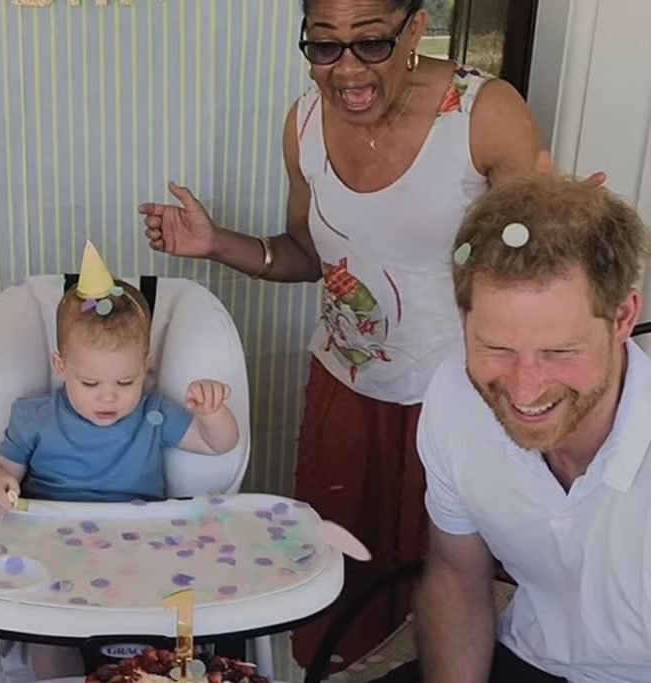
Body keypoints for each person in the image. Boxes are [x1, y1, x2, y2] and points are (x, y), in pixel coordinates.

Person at [137, 0, 552, 665]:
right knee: (342, 603)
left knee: (456, 595)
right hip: (345, 397)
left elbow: (541, 268)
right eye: (324, 46)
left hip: (459, 404)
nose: (346, 70)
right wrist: (217, 244)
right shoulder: (302, 124)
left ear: (415, 28)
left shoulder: (483, 117)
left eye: (371, 44)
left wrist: (566, 241)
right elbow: (308, 254)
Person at [379, 174, 651, 682]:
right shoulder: (455, 399)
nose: (525, 392)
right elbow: (457, 576)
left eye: (559, 352)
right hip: (528, 658)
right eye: (497, 349)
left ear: (622, 319)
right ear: (464, 320)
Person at [0, 242, 240, 681]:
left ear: (146, 367)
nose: (109, 395)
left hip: (140, 550)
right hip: (52, 550)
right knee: (47, 628)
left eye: (126, 380)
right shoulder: (34, 417)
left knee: (163, 626)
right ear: (61, 366)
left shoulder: (154, 414)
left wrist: (213, 413)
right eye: (91, 381)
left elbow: (219, 445)